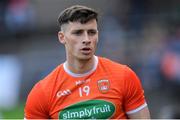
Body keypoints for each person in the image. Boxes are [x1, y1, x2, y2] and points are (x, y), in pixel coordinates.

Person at [24, 5, 150, 119]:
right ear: (62, 37)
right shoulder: (42, 92)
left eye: (91, 32)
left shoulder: (124, 76)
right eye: (78, 33)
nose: (86, 39)